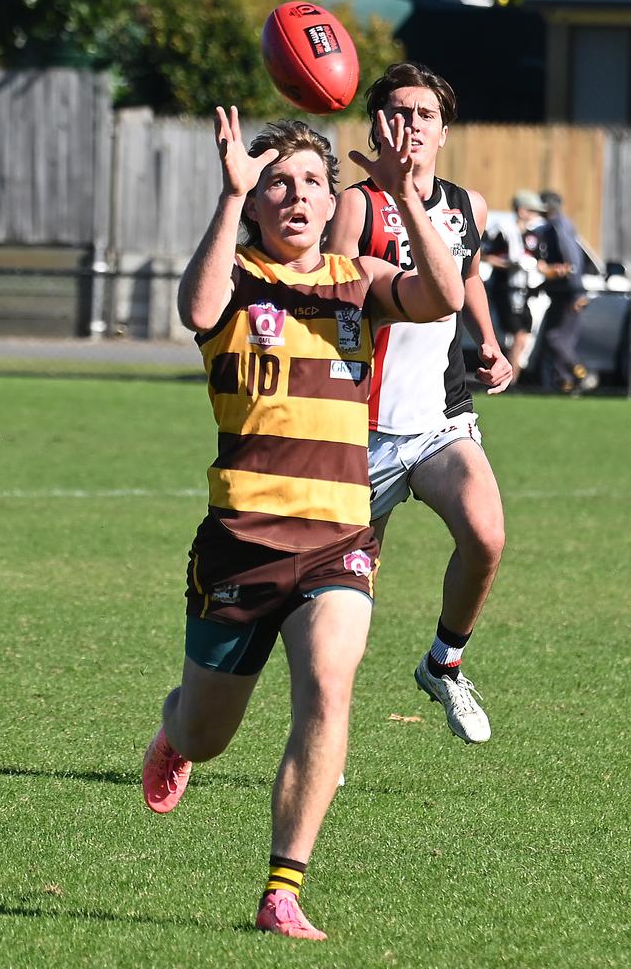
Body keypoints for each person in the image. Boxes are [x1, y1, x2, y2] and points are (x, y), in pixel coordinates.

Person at [141, 105, 464, 941]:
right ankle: (176, 729)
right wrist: (227, 197)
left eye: (312, 184)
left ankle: (283, 888)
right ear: (257, 202)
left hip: (337, 540)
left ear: (331, 204)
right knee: (210, 735)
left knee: (327, 687)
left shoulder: (359, 280)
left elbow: (443, 294)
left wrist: (404, 198)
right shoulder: (236, 275)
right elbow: (197, 308)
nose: (295, 196)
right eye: (276, 184)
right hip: (242, 544)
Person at [328, 62, 511, 746]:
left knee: (486, 534)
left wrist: (490, 343)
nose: (411, 124)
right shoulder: (358, 205)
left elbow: (468, 280)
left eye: (425, 114)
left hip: (439, 418)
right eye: (399, 112)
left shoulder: (468, 206)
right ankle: (326, 733)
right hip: (361, 429)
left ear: (443, 129)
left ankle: (444, 664)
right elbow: (332, 302)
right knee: (344, 603)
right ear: (378, 126)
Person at [535, 190, 599, 394]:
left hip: (569, 294)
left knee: (555, 339)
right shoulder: (553, 226)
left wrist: (577, 293)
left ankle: (583, 374)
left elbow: (573, 263)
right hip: (561, 293)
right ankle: (567, 383)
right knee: (562, 340)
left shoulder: (559, 227)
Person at [482, 189, 546, 384]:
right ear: (522, 210)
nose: (536, 216)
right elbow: (483, 255)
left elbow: (539, 262)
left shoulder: (532, 235)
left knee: (522, 336)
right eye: (533, 211)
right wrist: (509, 263)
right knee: (515, 336)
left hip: (524, 292)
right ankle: (508, 379)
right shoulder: (502, 230)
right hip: (504, 290)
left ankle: (510, 378)